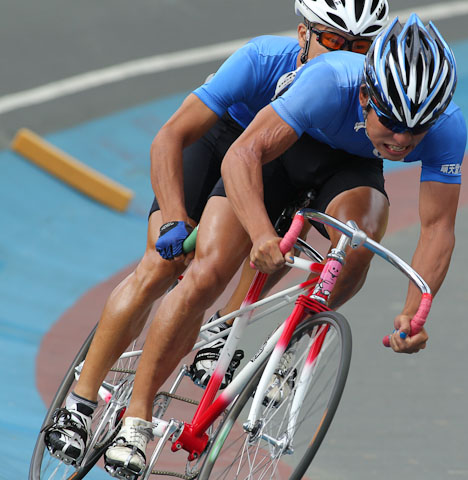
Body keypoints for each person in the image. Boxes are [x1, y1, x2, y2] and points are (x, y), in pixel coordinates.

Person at [103, 13, 465, 477]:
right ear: (366, 94)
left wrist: (414, 313)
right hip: (282, 147)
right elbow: (243, 153)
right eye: (392, 123)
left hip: (346, 166)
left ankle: (285, 348)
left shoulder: (448, 128)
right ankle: (135, 414)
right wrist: (259, 233)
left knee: (358, 243)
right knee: (206, 272)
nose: (401, 141)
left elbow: (437, 228)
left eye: (417, 132)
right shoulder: (328, 79)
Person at [42, 0, 389, 468]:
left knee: (252, 250)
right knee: (162, 266)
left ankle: (217, 333)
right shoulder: (262, 60)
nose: (342, 55)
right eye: (331, 40)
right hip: (217, 143)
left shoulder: (352, 90)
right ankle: (80, 403)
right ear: (303, 31)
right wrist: (172, 217)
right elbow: (171, 135)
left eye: (359, 47)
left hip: (268, 161)